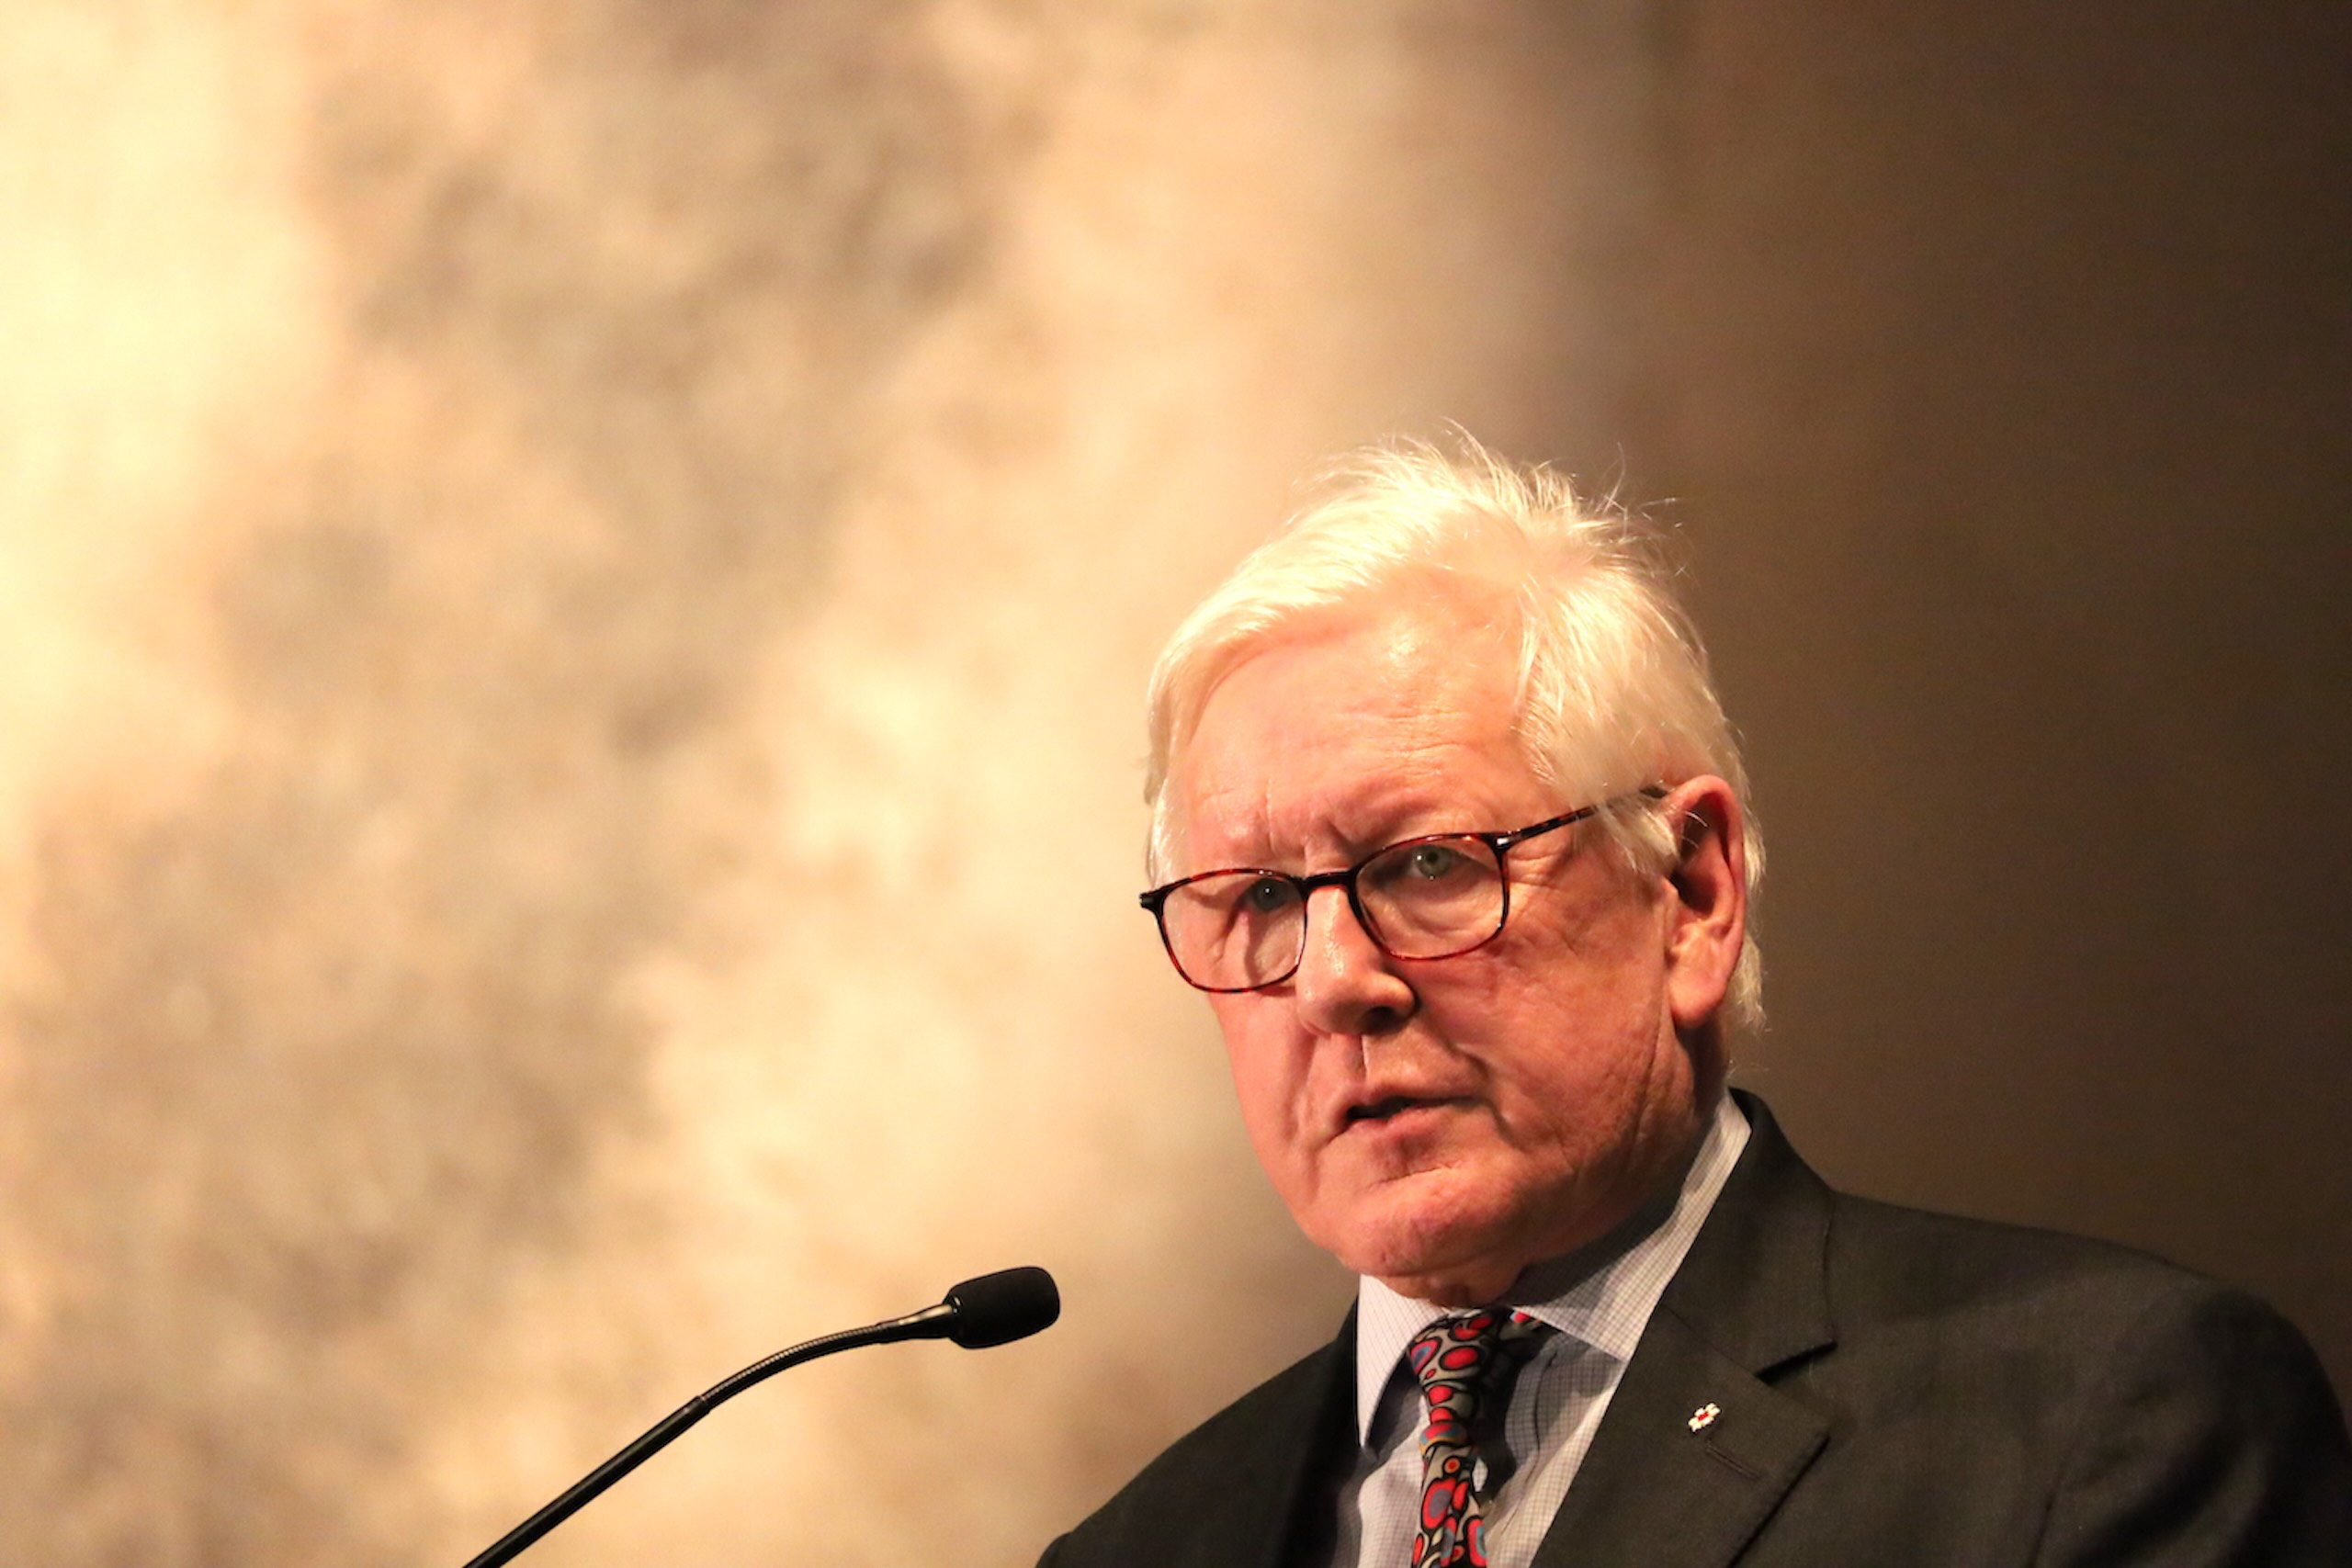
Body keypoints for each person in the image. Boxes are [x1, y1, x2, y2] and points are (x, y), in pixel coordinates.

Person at [1037, 439, 2351, 1568]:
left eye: (1428, 866)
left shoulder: (2099, 1417)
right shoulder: (1138, 1546)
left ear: (1692, 891)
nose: (1334, 981)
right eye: (1259, 900)